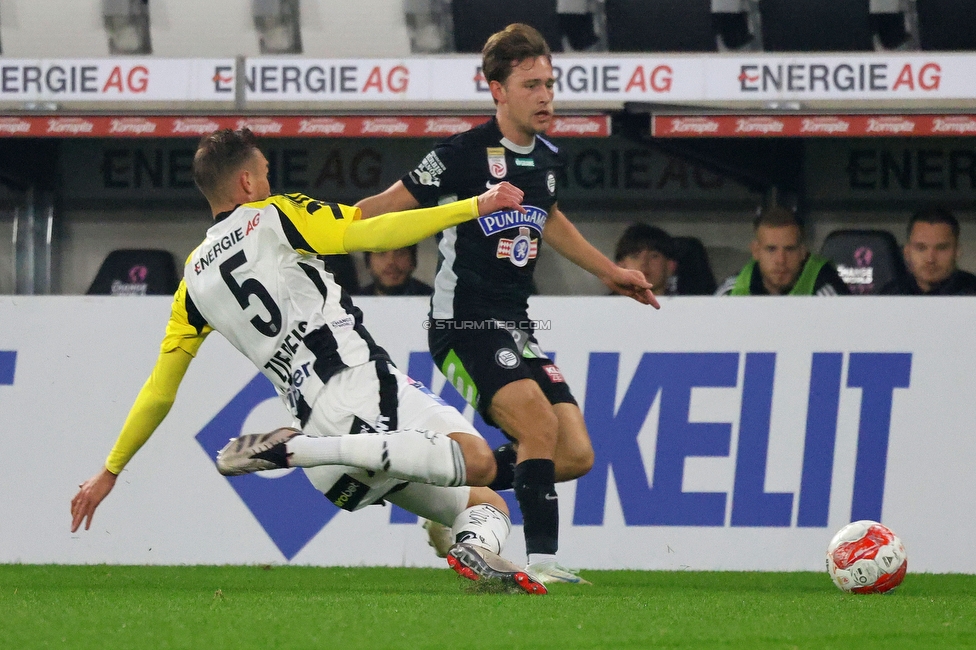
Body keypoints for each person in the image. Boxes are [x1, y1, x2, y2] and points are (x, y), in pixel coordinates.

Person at [69, 128, 547, 595]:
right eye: (265, 173)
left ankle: (462, 542)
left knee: (487, 506)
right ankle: (294, 451)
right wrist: (473, 206)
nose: (269, 183)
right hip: (358, 388)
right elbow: (373, 233)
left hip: (333, 456)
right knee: (480, 460)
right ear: (247, 184)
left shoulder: (191, 283)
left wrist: (109, 471)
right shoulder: (275, 214)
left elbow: (159, 391)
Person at [354, 24, 658, 584]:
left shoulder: (545, 157)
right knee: (538, 425)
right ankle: (541, 564)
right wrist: (308, 229)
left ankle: (456, 490)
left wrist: (611, 273)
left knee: (575, 454)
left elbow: (551, 217)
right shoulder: (459, 156)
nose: (546, 96)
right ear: (498, 89)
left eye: (550, 82)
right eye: (531, 84)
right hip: (462, 324)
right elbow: (383, 208)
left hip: (516, 326)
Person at [716, 205, 849, 296]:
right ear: (755, 251)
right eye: (771, 249)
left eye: (790, 249)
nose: (781, 260)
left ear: (803, 252)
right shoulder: (731, 293)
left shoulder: (827, 293)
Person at [880, 206, 976, 295]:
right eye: (921, 248)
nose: (930, 259)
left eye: (941, 248)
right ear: (906, 252)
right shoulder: (891, 293)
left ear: (957, 251)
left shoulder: (972, 291)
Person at [614, 223, 678, 296]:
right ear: (620, 266)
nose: (644, 263)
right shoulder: (604, 305)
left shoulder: (686, 305)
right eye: (635, 256)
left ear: (671, 266)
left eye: (654, 256)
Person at [359, 245, 434, 296]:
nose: (391, 261)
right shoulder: (354, 303)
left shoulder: (433, 300)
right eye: (381, 253)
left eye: (400, 253)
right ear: (368, 263)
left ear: (413, 261)